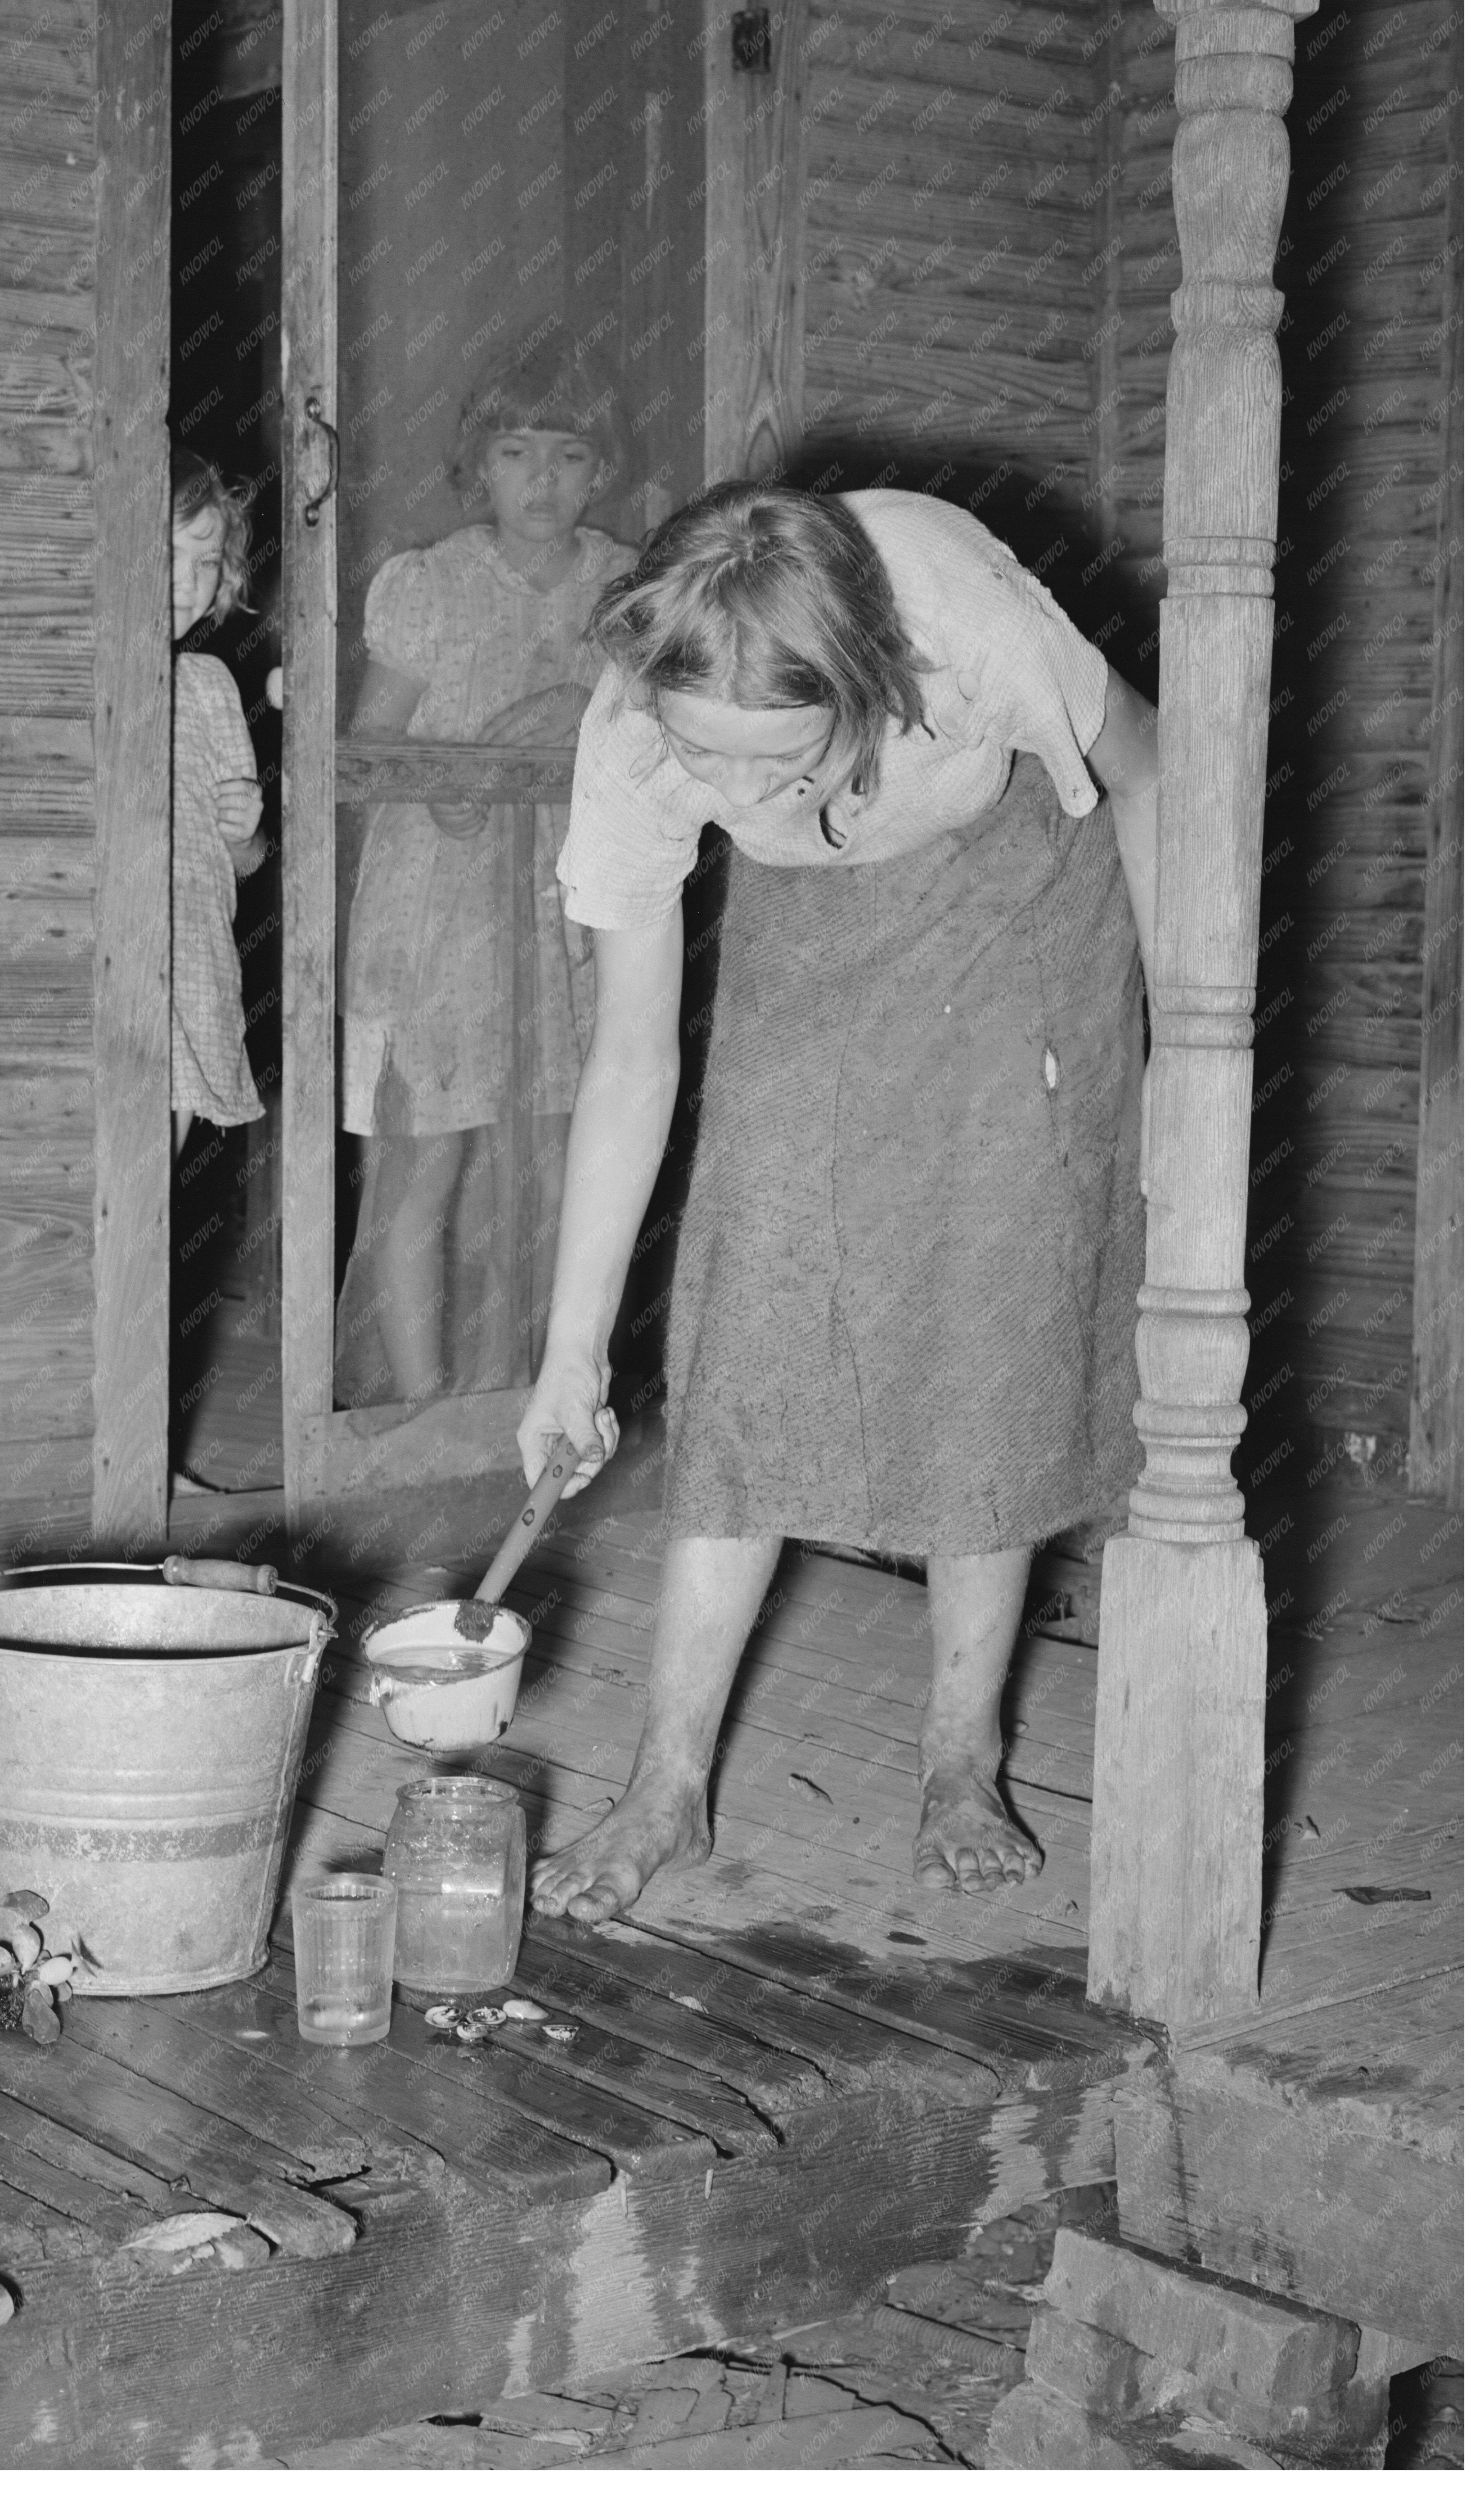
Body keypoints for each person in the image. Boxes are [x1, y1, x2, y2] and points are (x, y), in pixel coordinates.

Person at [517, 480, 1161, 1917]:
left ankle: (958, 1756)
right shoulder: (633, 734)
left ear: (865, 683)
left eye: (771, 758)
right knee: (754, 1307)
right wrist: (570, 1351)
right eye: (706, 757)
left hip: (1020, 886)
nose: (732, 796)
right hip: (816, 910)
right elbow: (631, 1055)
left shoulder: (966, 630)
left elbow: (1153, 770)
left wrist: (1186, 1054)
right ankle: (664, 1788)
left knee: (984, 1304)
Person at [334, 330, 639, 1406]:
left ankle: (540, 1397)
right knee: (430, 1160)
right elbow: (370, 752)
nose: (541, 481)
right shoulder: (429, 586)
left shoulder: (624, 592)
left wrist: (570, 713)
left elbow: (653, 738)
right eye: (514, 453)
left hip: (564, 916)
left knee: (563, 1161)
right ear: (478, 465)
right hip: (436, 918)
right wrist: (461, 765)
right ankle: (422, 1410)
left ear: (599, 467)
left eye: (564, 455)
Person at [168, 446, 268, 1469]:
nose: (191, 587)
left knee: (171, 1215)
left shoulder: (206, 682)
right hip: (119, 988)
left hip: (194, 972)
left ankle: (148, 1443)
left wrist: (246, 827)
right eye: (173, 556)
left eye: (208, 564)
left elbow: (242, 861)